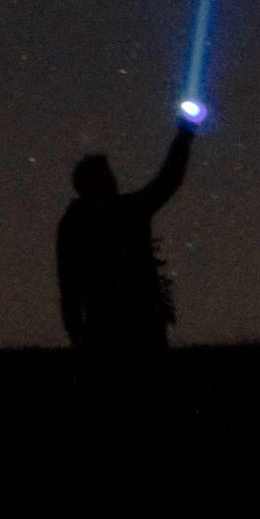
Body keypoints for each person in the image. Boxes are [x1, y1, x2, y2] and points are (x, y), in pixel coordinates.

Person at [56, 121, 195, 351]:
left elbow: (68, 282)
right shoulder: (126, 211)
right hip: (128, 322)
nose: (112, 179)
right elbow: (167, 182)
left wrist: (75, 330)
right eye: (105, 175)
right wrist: (184, 136)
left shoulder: (75, 223)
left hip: (116, 323)